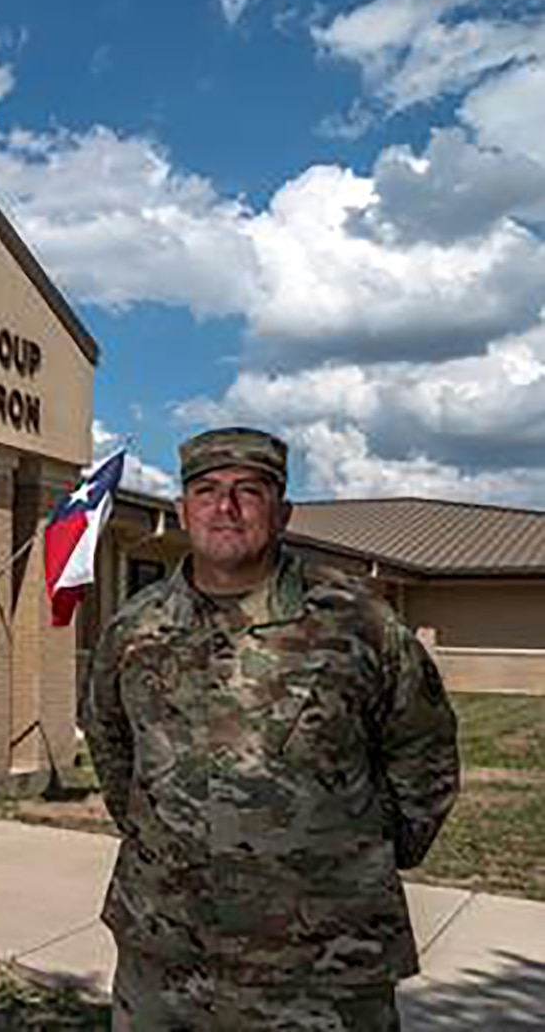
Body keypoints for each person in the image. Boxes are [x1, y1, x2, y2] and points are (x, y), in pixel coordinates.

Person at [79, 427, 459, 1030]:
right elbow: (111, 746)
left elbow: (425, 756)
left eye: (247, 491)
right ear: (183, 510)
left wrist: (352, 854)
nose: (224, 508)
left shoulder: (359, 624)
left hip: (322, 969)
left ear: (282, 512)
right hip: (167, 962)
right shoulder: (134, 629)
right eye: (205, 491)